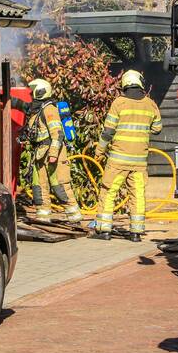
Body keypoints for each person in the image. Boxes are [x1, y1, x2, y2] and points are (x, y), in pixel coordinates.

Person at [92, 69, 162, 242]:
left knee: (109, 192)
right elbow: (157, 128)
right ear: (140, 83)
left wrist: (99, 151)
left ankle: (104, 230)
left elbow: (108, 132)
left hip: (118, 161)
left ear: (124, 84)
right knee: (137, 195)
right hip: (139, 163)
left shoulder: (119, 103)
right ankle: (136, 232)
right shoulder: (150, 104)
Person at [24, 79, 82, 221]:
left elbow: (58, 134)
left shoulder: (49, 109)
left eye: (33, 91)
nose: (31, 94)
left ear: (40, 91)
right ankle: (43, 216)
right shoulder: (37, 110)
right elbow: (24, 108)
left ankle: (74, 216)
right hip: (40, 153)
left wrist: (53, 154)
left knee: (60, 185)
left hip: (52, 153)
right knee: (39, 186)